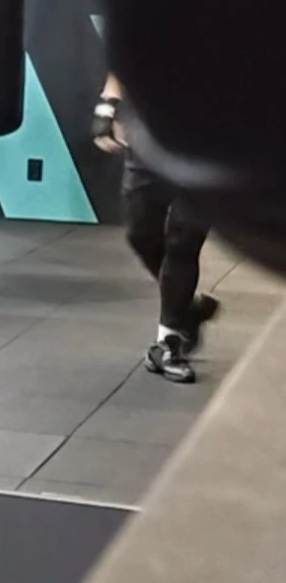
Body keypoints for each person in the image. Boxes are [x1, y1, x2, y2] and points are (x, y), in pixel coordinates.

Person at [93, 76, 220, 383]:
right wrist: (106, 108)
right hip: (148, 139)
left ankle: (167, 342)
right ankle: (185, 306)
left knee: (184, 240)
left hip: (207, 146)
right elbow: (123, 64)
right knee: (139, 234)